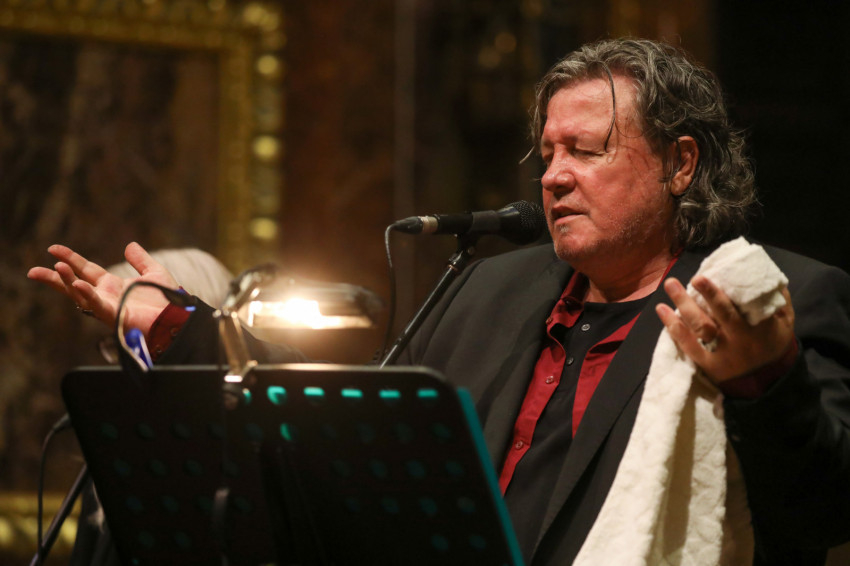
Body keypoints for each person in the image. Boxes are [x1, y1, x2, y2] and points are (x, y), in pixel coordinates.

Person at [28, 38, 850, 565]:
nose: (555, 176)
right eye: (548, 153)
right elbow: (349, 442)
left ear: (680, 163)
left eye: (587, 150)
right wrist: (184, 330)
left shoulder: (774, 299)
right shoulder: (493, 288)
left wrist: (765, 381)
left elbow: (823, 514)